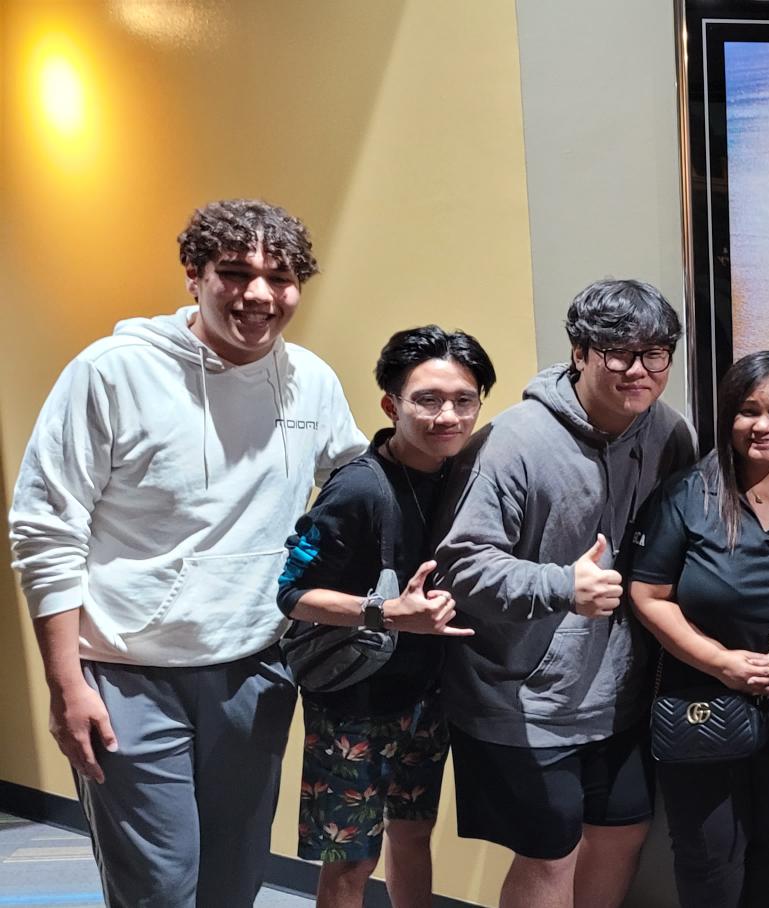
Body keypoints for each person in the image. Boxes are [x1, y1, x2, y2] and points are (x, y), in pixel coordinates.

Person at [10, 199, 367, 907]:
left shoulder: (311, 382)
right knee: (160, 889)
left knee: (235, 882)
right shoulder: (112, 372)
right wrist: (65, 684)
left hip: (254, 669)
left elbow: (357, 492)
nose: (259, 294)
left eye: (282, 276)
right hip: (127, 673)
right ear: (193, 277)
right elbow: (46, 528)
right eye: (234, 272)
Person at [435, 279, 697, 908]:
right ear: (579, 352)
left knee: (623, 831)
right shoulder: (513, 442)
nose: (638, 370)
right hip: (523, 696)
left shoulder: (669, 435)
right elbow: (459, 565)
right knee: (552, 852)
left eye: (654, 354)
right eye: (617, 353)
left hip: (621, 691)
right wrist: (560, 585)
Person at [277, 326, 495, 907]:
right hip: (354, 699)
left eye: (464, 400)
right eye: (427, 399)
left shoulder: (464, 476)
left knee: (414, 834)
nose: (447, 414)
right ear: (391, 404)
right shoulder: (357, 489)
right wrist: (385, 613)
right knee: (350, 860)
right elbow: (290, 592)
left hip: (428, 693)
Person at [626, 351, 769, 908]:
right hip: (700, 702)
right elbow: (647, 595)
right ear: (727, 417)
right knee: (707, 857)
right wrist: (721, 662)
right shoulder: (686, 495)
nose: (762, 425)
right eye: (747, 410)